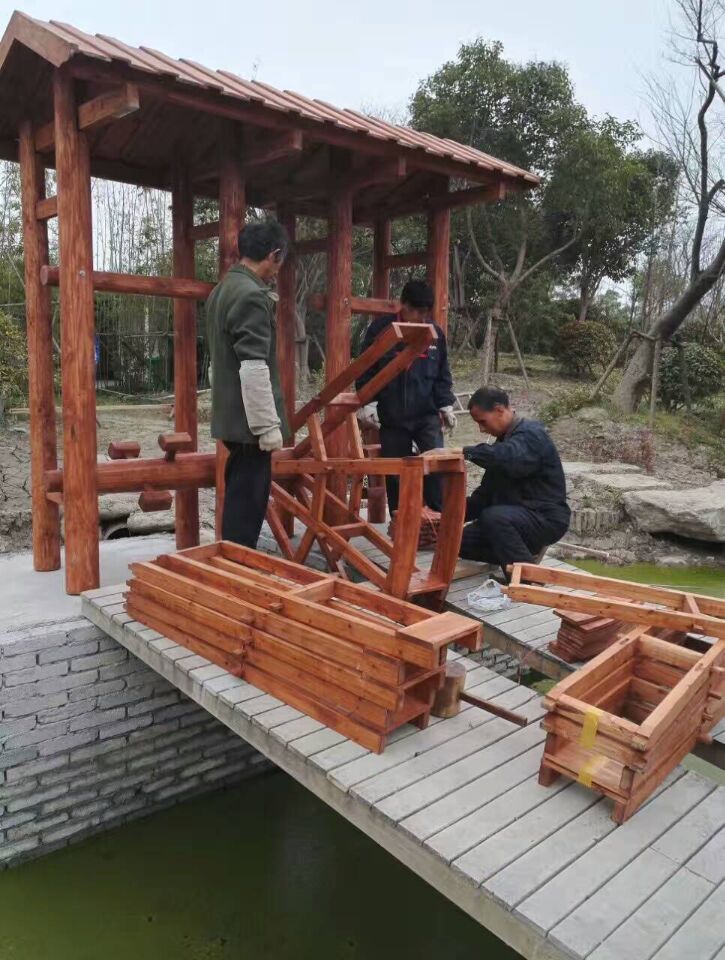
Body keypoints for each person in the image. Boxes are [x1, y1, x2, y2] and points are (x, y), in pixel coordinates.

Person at [206, 219, 289, 547]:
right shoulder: (252, 295)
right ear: (274, 254)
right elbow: (253, 366)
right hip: (249, 425)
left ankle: (232, 563)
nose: (278, 270)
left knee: (239, 497)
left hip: (231, 419)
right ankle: (236, 568)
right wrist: (267, 426)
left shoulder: (221, 290)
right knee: (246, 510)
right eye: (279, 262)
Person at [355, 279, 456, 513]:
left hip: (426, 416)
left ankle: (437, 519)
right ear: (404, 305)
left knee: (435, 467)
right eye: (416, 311)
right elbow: (365, 369)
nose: (420, 317)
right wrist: (368, 402)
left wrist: (446, 405)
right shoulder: (380, 330)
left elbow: (442, 374)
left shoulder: (435, 334)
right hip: (392, 417)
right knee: (395, 473)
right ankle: (399, 520)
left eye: (425, 312)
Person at [459, 386, 570, 573]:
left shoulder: (532, 435)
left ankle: (527, 579)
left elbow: (506, 458)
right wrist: (448, 515)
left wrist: (465, 453)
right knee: (458, 541)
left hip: (544, 518)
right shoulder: (504, 443)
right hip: (514, 518)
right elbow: (484, 497)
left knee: (494, 517)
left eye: (483, 422)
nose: (481, 429)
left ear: (499, 410)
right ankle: (518, 554)